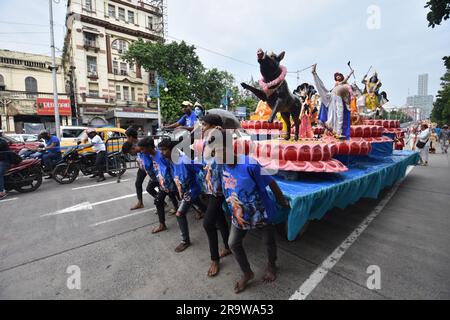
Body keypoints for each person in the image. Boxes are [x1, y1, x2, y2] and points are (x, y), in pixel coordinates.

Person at [221, 135, 290, 294]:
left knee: (268, 240)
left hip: (261, 211)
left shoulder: (250, 164)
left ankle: (272, 265)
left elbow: (271, 182)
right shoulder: (222, 166)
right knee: (233, 243)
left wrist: (282, 202)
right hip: (239, 214)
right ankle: (247, 273)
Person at [158, 139, 206, 253]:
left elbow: (197, 172)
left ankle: (185, 241)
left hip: (192, 189)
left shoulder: (183, 160)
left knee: (180, 214)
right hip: (185, 190)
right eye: (161, 150)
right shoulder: (171, 160)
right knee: (200, 205)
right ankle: (214, 218)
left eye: (164, 150)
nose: (162, 153)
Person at [200, 115, 232, 277]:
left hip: (219, 188)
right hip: (209, 186)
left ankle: (215, 259)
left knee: (207, 224)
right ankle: (227, 247)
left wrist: (222, 133)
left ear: (213, 125)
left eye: (204, 124)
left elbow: (229, 154)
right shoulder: (208, 139)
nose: (202, 127)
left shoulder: (222, 137)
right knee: (219, 218)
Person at [138, 137, 179, 233]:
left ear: (149, 147)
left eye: (143, 149)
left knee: (187, 198)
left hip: (171, 182)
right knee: (158, 201)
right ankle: (162, 224)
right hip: (163, 183)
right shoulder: (152, 155)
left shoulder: (161, 155)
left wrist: (171, 182)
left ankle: (201, 210)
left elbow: (169, 168)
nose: (142, 151)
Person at [312, 64, 353, 139]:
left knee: (338, 114)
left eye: (339, 76)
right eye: (337, 76)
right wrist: (350, 73)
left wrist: (350, 73)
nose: (338, 77)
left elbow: (348, 91)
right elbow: (344, 81)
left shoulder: (344, 84)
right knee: (321, 88)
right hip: (332, 96)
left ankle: (337, 131)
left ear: (341, 77)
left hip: (338, 98)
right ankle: (314, 73)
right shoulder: (338, 83)